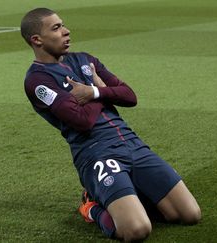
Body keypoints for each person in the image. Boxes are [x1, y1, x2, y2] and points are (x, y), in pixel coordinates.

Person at [21, 8, 201, 241]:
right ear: (37, 39)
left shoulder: (85, 60)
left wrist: (93, 91)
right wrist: (103, 91)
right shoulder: (38, 80)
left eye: (63, 25)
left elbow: (129, 96)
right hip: (96, 152)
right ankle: (91, 207)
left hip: (132, 142)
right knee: (136, 230)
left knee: (189, 215)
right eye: (56, 28)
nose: (66, 31)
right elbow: (82, 120)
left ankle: (129, 197)